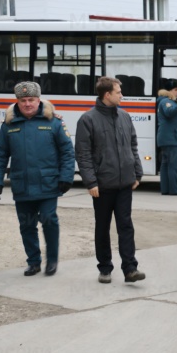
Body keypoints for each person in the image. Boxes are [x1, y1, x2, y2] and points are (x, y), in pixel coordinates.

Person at [0, 81, 75, 276]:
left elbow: (67, 152)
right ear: (17, 102)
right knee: (26, 225)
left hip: (48, 184)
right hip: (22, 185)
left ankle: (52, 260)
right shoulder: (8, 126)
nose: (27, 104)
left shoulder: (53, 122)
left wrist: (66, 177)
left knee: (49, 221)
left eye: (31, 100)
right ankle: (34, 262)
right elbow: (0, 155)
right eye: (23, 100)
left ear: (39, 100)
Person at [75, 76, 146, 284]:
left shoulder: (125, 116)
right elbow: (83, 153)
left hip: (125, 183)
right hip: (103, 185)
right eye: (118, 92)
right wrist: (90, 182)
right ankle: (105, 267)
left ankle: (130, 268)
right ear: (107, 95)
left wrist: (137, 173)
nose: (122, 95)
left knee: (126, 225)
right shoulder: (87, 119)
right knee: (103, 226)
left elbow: (133, 146)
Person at [156, 80, 177, 196]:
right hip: (172, 138)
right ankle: (174, 189)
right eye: (175, 90)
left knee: (166, 165)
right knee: (174, 164)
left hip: (167, 138)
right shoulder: (166, 101)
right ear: (169, 91)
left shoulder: (164, 101)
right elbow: (169, 112)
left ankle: (165, 189)